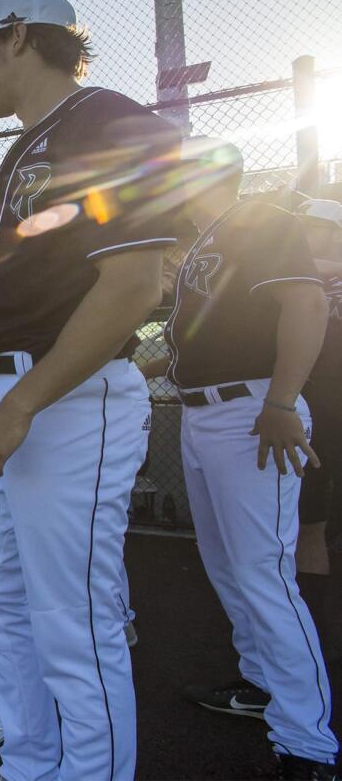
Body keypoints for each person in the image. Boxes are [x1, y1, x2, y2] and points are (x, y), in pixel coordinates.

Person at [0, 0, 188, 781]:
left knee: (72, 624)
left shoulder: (110, 120)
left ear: (19, 37)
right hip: (10, 396)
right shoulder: (17, 158)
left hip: (65, 399)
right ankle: (30, 764)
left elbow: (132, 287)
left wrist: (19, 404)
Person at [145, 146, 334, 779]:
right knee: (228, 566)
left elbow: (306, 307)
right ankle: (260, 685)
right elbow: (190, 349)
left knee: (264, 573)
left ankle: (308, 743)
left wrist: (282, 400)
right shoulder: (204, 243)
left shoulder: (259, 218)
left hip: (254, 408)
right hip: (205, 415)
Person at [294, 198, 342, 665]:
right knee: (310, 530)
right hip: (314, 422)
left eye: (315, 225)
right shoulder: (299, 276)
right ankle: (314, 650)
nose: (304, 234)